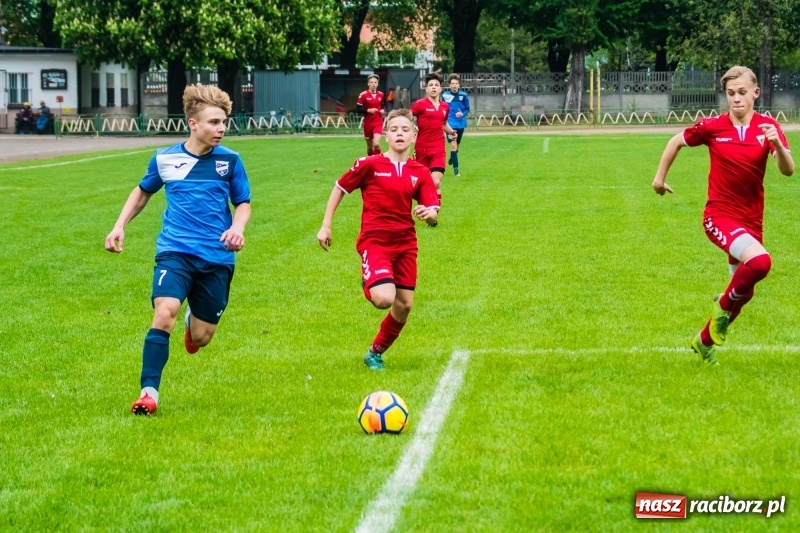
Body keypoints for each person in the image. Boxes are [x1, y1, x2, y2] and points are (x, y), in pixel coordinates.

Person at [105, 83, 252, 415]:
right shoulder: (166, 158)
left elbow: (242, 203)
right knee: (163, 312)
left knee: (201, 337)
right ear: (193, 123)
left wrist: (237, 228)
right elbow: (143, 192)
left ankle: (192, 323)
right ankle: (149, 393)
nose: (221, 129)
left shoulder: (230, 161)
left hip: (216, 257)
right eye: (214, 122)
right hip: (175, 251)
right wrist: (119, 226)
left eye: (224, 122)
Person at [652, 65, 794, 365]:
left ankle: (704, 342)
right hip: (719, 216)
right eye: (731, 94)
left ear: (756, 93)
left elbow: (788, 170)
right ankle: (722, 307)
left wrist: (778, 145)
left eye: (742, 93)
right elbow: (675, 141)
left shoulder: (768, 126)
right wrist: (659, 179)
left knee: (746, 294)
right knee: (760, 262)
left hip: (752, 220)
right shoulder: (713, 126)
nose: (736, 99)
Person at [316, 109, 439, 370]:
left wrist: (428, 214)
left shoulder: (421, 172)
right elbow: (340, 188)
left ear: (414, 136)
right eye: (394, 129)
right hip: (375, 242)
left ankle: (375, 352)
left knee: (404, 305)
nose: (399, 134)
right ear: (385, 135)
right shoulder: (369, 164)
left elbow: (432, 212)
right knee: (383, 298)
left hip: (406, 244)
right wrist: (326, 225)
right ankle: (370, 279)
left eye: (405, 129)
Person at [410, 72, 458, 227]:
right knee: (421, 184)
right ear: (426, 88)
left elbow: (443, 124)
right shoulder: (419, 105)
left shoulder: (445, 107)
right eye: (431, 85)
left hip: (438, 149)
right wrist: (412, 127)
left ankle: (433, 213)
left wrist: (451, 131)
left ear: (440, 88)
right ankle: (428, 211)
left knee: (435, 182)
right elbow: (409, 118)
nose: (433, 87)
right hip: (421, 149)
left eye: (436, 85)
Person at [440, 74, 470, 177]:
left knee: (457, 146)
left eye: (456, 83)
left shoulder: (463, 96)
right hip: (449, 124)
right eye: (452, 83)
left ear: (459, 85)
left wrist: (463, 114)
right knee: (453, 145)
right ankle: (456, 171)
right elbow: (441, 109)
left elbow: (467, 108)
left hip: (460, 124)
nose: (454, 85)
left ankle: (453, 157)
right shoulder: (444, 96)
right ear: (449, 85)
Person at [356, 74, 386, 157]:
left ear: (377, 84)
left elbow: (382, 105)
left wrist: (383, 110)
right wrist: (368, 110)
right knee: (370, 147)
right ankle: (370, 161)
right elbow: (358, 109)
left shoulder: (381, 95)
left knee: (376, 144)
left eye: (375, 82)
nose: (373, 84)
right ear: (368, 84)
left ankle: (379, 160)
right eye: (371, 82)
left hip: (378, 122)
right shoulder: (363, 95)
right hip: (368, 123)